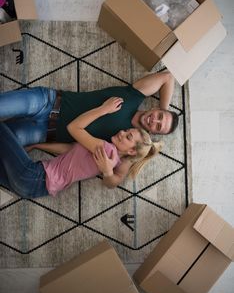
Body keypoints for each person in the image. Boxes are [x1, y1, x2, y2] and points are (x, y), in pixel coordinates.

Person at [0, 97, 162, 199]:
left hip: (34, 177)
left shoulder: (106, 150)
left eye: (128, 136)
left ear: (132, 151)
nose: (122, 132)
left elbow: (74, 128)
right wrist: (37, 145)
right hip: (33, 190)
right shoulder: (111, 160)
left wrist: (103, 109)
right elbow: (70, 151)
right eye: (127, 130)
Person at [0, 70, 178, 147]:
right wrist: (165, 111)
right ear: (156, 108)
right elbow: (167, 78)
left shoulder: (126, 141)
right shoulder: (134, 97)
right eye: (159, 116)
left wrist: (40, 145)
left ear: (153, 133)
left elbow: (76, 150)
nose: (154, 120)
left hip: (45, 132)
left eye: (158, 126)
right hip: (48, 102)